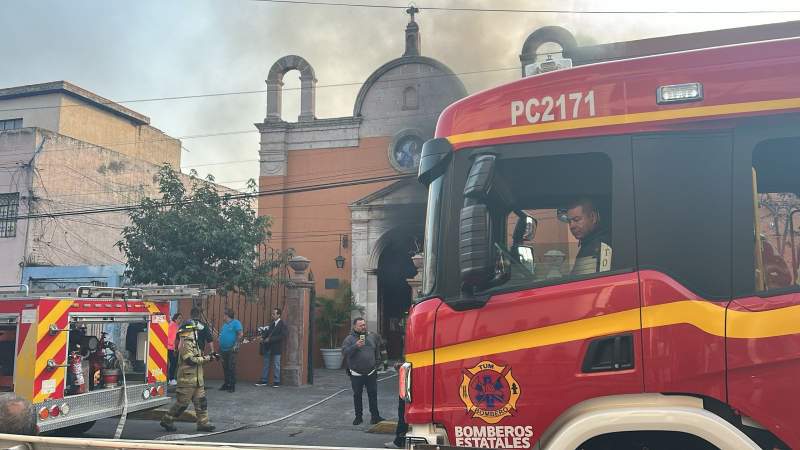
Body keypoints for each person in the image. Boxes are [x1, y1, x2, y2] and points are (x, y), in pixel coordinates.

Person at [160, 321, 219, 433]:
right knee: (182, 404)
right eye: (195, 330)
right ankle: (167, 420)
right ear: (190, 331)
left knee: (201, 402)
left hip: (197, 379)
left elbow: (198, 357)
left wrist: (211, 356)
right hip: (187, 380)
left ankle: (203, 423)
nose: (197, 332)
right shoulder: (185, 343)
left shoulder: (194, 342)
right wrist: (208, 358)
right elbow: (191, 360)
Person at [342, 317, 385, 426]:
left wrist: (377, 363)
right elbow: (344, 352)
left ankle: (375, 417)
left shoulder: (372, 336)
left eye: (364, 325)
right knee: (357, 395)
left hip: (371, 372)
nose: (363, 327)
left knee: (373, 394)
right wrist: (355, 346)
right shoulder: (349, 339)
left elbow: (377, 351)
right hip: (356, 373)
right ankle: (358, 417)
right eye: (361, 325)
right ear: (354, 326)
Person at [565, 197, 612, 275]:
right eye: (569, 221)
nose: (571, 226)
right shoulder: (588, 243)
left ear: (593, 217)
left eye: (576, 220)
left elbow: (599, 282)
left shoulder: (602, 246)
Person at [255, 308, 287, 388]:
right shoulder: (272, 324)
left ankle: (277, 381)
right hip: (268, 347)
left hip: (276, 347)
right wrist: (263, 337)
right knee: (266, 364)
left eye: (274, 314)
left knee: (277, 364)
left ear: (278, 315)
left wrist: (271, 339)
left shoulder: (282, 324)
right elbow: (267, 332)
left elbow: (283, 336)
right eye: (272, 314)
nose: (272, 315)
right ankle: (264, 380)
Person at [218, 308, 242, 393]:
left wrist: (236, 344)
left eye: (224, 314)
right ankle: (226, 383)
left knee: (231, 367)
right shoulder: (224, 325)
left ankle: (232, 385)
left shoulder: (236, 323)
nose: (223, 316)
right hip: (223, 349)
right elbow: (221, 335)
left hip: (231, 349)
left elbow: (240, 334)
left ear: (227, 315)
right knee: (225, 367)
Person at [167, 312, 182, 385]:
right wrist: (175, 348)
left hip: (170, 347)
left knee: (172, 363)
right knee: (173, 363)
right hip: (171, 348)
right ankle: (171, 379)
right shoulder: (174, 326)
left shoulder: (173, 325)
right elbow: (173, 338)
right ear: (175, 319)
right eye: (179, 318)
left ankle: (170, 379)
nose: (180, 320)